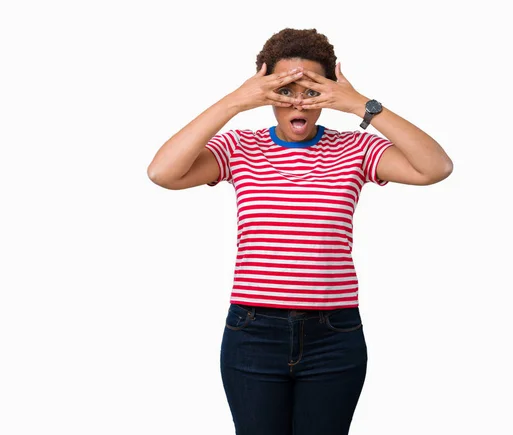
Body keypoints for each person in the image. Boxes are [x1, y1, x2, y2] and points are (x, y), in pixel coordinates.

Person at [147, 28, 453, 435]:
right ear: (265, 92)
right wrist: (234, 102)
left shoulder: (355, 150)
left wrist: (362, 105)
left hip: (334, 334)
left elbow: (436, 168)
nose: (298, 103)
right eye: (285, 90)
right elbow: (162, 172)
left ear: (328, 94)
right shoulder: (240, 147)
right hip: (254, 331)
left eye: (311, 92)